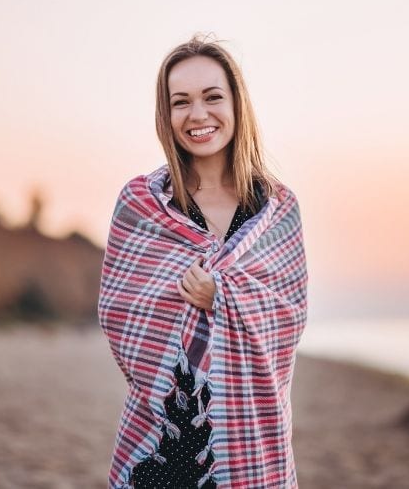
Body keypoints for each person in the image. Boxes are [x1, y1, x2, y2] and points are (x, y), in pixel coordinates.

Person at [98, 35, 309, 488]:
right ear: (165, 114)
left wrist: (223, 296)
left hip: (251, 444)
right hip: (164, 436)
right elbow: (119, 311)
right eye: (181, 102)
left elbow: (289, 315)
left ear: (237, 103)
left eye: (213, 97)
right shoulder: (141, 204)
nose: (198, 115)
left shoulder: (276, 207)